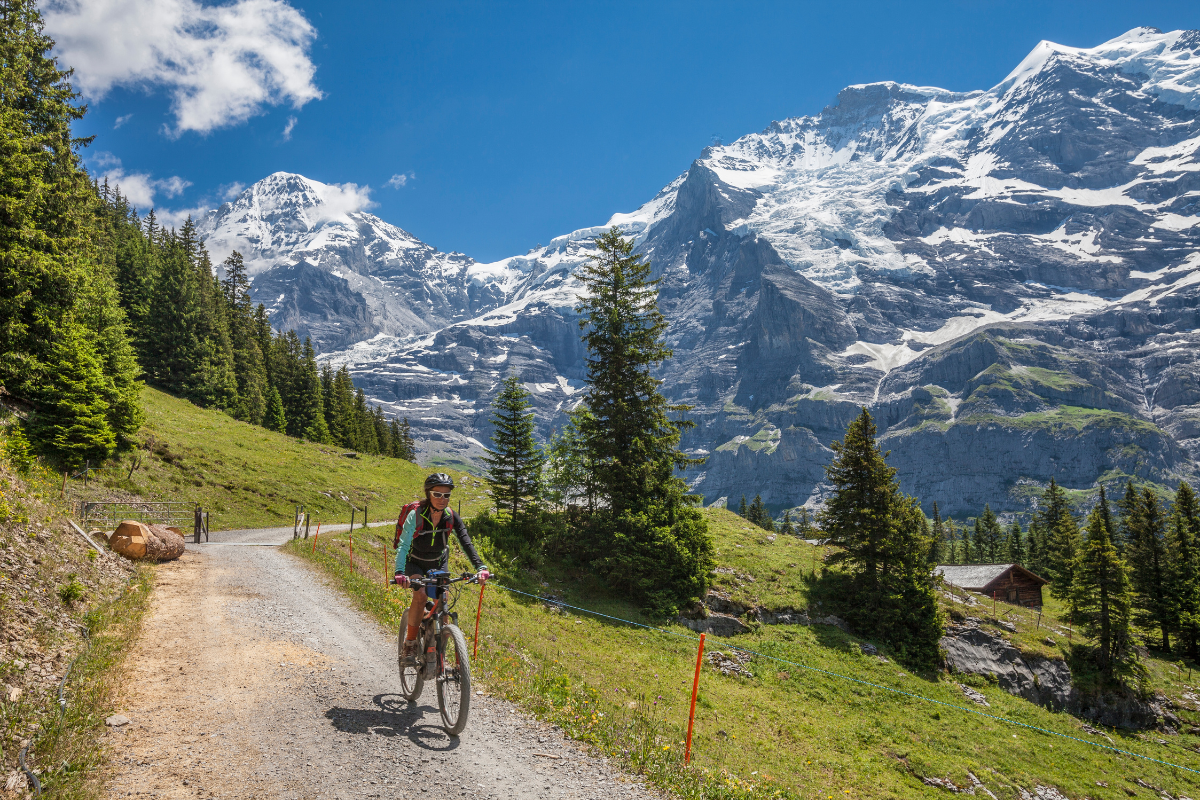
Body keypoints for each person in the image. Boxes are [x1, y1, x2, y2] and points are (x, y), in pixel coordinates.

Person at [394, 473, 489, 663]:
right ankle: (410, 645)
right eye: (437, 494)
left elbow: (466, 542)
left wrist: (481, 567)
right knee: (420, 596)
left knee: (444, 600)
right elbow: (404, 545)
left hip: (438, 562)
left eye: (446, 495)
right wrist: (399, 572)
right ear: (428, 494)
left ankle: (439, 649)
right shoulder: (417, 515)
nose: (442, 499)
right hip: (415, 562)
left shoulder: (451, 516)